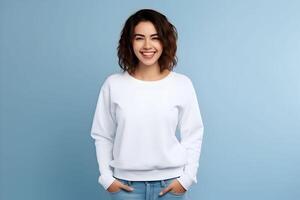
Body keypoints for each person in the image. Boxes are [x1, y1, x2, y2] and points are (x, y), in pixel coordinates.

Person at [90, 8, 204, 200]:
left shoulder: (182, 84)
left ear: (165, 41)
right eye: (139, 38)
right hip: (126, 188)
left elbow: (193, 134)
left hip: (170, 186)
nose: (147, 45)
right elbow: (102, 134)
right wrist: (107, 179)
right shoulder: (114, 85)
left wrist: (187, 179)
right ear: (130, 42)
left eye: (155, 37)